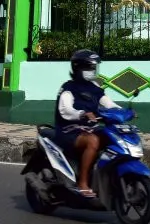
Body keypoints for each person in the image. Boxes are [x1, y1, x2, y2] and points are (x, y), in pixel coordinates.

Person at [54, 48, 119, 204]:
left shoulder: (94, 87)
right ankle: (82, 182)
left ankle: (105, 178)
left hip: (88, 129)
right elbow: (65, 110)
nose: (93, 70)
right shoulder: (69, 88)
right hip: (69, 131)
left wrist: (124, 112)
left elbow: (109, 104)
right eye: (90, 67)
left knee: (112, 137)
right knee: (93, 141)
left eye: (94, 67)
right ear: (78, 68)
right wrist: (82, 114)